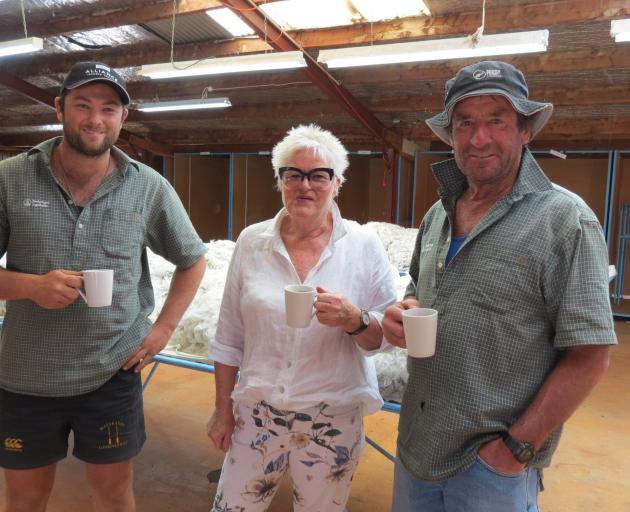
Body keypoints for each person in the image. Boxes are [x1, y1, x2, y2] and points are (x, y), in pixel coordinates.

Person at [382, 60, 617, 512]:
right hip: (416, 448)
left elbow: (590, 354)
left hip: (489, 469)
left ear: (525, 130)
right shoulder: (438, 216)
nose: (479, 138)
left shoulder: (565, 220)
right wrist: (404, 308)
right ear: (450, 135)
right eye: (464, 123)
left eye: (496, 121)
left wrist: (516, 451)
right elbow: (418, 289)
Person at [0, 61, 207, 512]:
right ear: (60, 108)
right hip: (27, 376)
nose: (96, 119)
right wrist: (30, 286)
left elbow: (193, 260)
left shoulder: (148, 187)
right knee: (24, 499)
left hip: (113, 372)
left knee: (113, 496)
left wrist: (163, 331)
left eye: (109, 108)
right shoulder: (10, 178)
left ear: (122, 118)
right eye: (83, 105)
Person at [207, 124, 397, 511]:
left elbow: (386, 336)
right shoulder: (252, 241)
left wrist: (354, 319)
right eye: (292, 174)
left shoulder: (363, 246)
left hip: (332, 419)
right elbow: (229, 335)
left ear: (338, 182)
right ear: (280, 181)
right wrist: (222, 410)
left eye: (318, 175)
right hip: (258, 415)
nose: (304, 185)